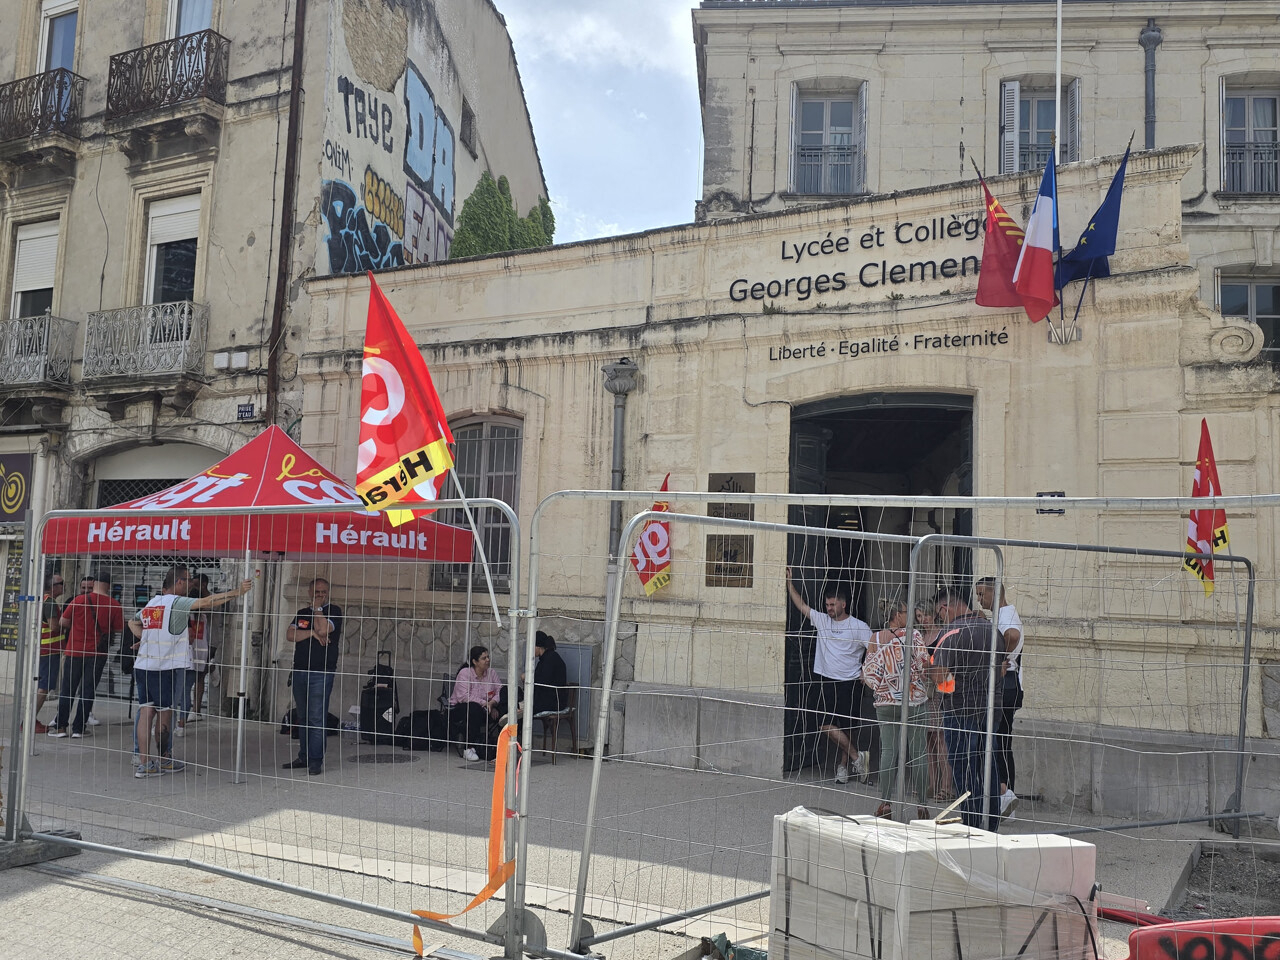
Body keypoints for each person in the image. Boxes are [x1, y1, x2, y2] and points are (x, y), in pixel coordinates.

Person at [129, 566, 252, 778]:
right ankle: (165, 759)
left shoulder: (153, 603)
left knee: (146, 712)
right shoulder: (177, 602)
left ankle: (145, 763)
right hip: (166, 668)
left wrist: (145, 638)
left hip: (143, 666)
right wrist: (237, 592)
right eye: (188, 580)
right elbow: (207, 602)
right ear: (178, 582)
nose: (191, 584)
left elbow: (132, 621)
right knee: (165, 713)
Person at [785, 567, 872, 784]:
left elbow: (875, 649)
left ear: (843, 604)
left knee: (847, 727)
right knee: (823, 723)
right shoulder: (822, 620)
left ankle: (843, 768)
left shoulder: (859, 627)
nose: (829, 609)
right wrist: (789, 584)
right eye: (827, 605)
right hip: (824, 679)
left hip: (849, 682)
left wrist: (865, 670)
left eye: (833, 605)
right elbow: (802, 606)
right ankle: (857, 757)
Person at [931, 586, 1002, 831]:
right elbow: (1002, 669)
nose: (941, 619)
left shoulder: (951, 632)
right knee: (988, 765)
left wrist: (929, 670)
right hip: (991, 709)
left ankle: (972, 824)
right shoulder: (992, 630)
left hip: (959, 709)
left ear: (944, 608)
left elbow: (940, 676)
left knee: (963, 767)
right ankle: (991, 824)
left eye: (939, 614)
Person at [863, 600, 931, 819]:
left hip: (886, 703)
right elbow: (924, 666)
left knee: (888, 752)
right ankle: (922, 805)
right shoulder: (915, 636)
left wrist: (885, 688)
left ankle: (885, 804)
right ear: (897, 615)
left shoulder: (875, 638)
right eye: (907, 612)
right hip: (914, 701)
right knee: (919, 753)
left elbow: (868, 675)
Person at [282, 578, 343, 775]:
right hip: (300, 671)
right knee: (303, 717)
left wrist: (317, 610)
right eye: (317, 592)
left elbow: (323, 629)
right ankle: (304, 756)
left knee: (317, 717)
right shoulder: (302, 613)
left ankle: (316, 760)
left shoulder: (334, 611)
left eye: (324, 592)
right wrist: (310, 633)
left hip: (321, 672)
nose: (320, 595)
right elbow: (290, 635)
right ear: (309, 592)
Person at [975, 576, 1025, 817]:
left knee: (999, 742)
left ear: (994, 593)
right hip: (1006, 684)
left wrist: (1000, 658)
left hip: (1006, 684)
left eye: (981, 594)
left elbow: (1013, 635)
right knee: (999, 741)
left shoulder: (1007, 615)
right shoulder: (1000, 615)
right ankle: (1003, 796)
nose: (978, 599)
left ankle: (1006, 796)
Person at [52, 573, 123, 739]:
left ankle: (61, 727)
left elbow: (63, 622)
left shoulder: (78, 600)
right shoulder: (114, 605)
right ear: (109, 586)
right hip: (98, 654)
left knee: (67, 690)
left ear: (94, 583)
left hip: (74, 651)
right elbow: (119, 629)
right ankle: (78, 728)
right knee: (88, 690)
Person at [916, 599, 955, 802]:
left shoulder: (942, 635)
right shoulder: (920, 637)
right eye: (919, 616)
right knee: (927, 740)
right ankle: (931, 784)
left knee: (941, 740)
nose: (923, 619)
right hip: (922, 692)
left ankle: (947, 786)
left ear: (934, 614)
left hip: (939, 692)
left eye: (926, 614)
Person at [448, 645, 503, 762]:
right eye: (484, 658)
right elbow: (464, 697)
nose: (488, 660)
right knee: (473, 708)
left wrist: (493, 703)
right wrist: (485, 703)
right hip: (461, 709)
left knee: (507, 702)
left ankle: (501, 747)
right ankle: (468, 748)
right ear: (474, 661)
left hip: (488, 708)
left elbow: (500, 691)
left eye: (488, 657)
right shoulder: (465, 673)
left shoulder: (491, 673)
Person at [177, 574, 215, 736]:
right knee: (189, 688)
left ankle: (176, 723)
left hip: (185, 656)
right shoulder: (204, 616)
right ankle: (182, 724)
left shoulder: (184, 615)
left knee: (180, 692)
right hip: (200, 656)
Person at [33, 572, 65, 733]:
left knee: (42, 686)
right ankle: (30, 721)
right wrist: (67, 624)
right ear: (53, 587)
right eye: (61, 583)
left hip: (44, 649)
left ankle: (30, 719)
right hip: (49, 651)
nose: (63, 586)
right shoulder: (50, 602)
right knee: (43, 688)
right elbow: (53, 626)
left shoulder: (42, 600)